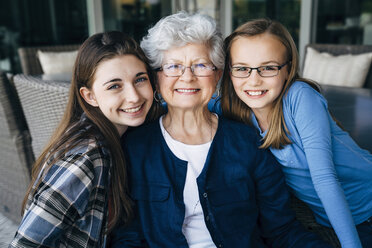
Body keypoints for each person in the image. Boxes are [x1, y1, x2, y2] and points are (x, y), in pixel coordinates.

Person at [110, 12, 331, 248]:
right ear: (156, 77)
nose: (187, 77)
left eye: (201, 65)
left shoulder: (248, 142)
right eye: (173, 66)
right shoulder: (135, 146)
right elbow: (127, 237)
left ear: (217, 75)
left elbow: (282, 230)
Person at [220, 18, 372, 248]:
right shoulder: (234, 108)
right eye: (241, 68)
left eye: (268, 67)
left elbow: (324, 178)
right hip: (330, 220)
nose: (254, 80)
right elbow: (190, 99)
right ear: (229, 73)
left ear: (288, 69)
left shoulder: (300, 97)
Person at [9, 31, 162, 248]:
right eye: (114, 86)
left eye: (140, 79)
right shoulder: (86, 157)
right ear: (89, 96)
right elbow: (25, 244)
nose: (134, 96)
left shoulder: (122, 134)